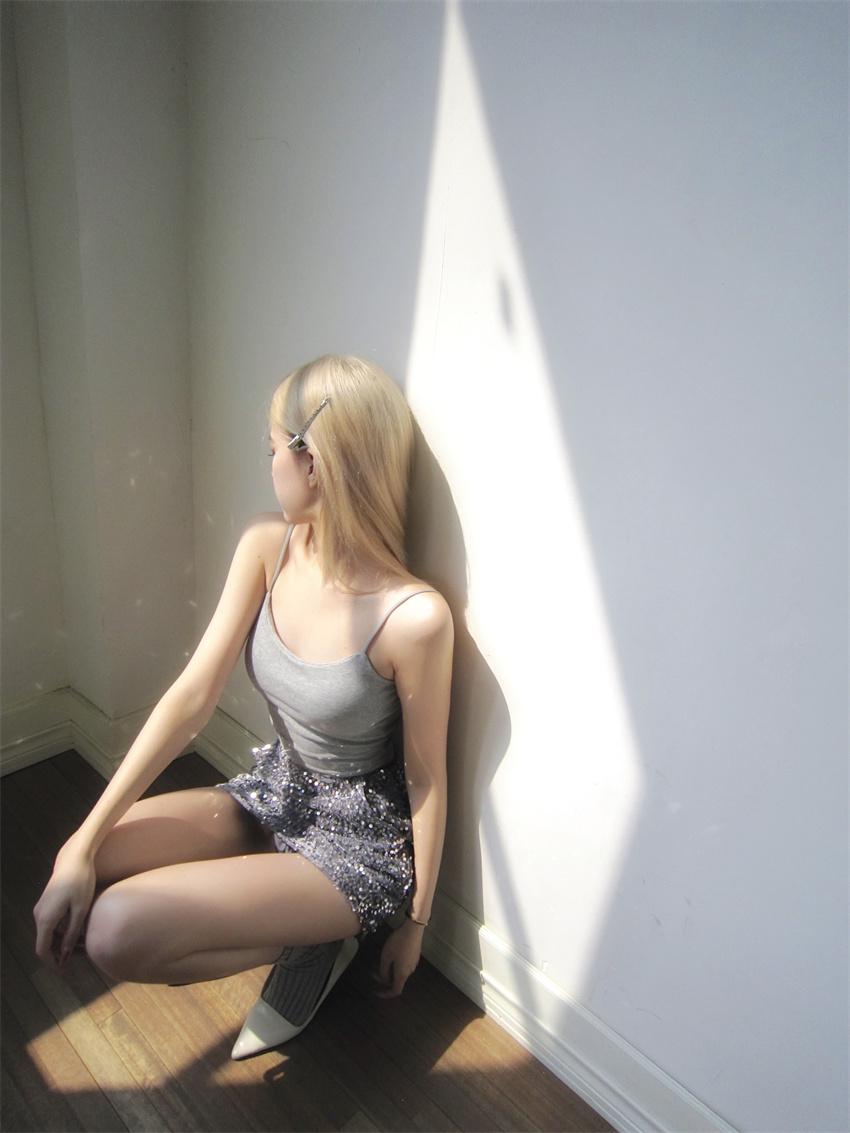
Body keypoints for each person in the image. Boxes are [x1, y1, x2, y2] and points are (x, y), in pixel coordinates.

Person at [32, 354, 453, 1058]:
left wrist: (416, 923)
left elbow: (427, 778)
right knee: (96, 854)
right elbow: (192, 696)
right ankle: (298, 923)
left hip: (357, 843)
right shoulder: (268, 545)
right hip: (277, 790)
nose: (269, 465)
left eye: (271, 449)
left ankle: (320, 935)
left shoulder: (413, 617)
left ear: (312, 460)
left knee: (113, 931)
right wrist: (79, 844)